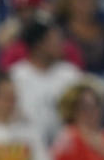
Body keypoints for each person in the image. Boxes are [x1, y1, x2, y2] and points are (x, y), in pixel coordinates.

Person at [9, 13, 83, 145]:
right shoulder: (15, 76)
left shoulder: (71, 74)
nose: (62, 44)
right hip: (27, 145)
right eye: (55, 39)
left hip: (67, 146)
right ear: (39, 44)